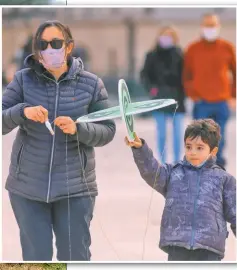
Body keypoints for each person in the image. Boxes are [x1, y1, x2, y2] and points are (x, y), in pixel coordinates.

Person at [2, 20, 116, 261]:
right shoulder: (23, 80)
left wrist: (78, 129)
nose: (50, 49)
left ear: (69, 46)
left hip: (75, 189)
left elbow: (108, 130)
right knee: (37, 258)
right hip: (28, 188)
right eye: (43, 44)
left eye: (56, 43)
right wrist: (22, 112)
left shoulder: (91, 83)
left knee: (75, 257)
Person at [125, 119, 236, 261]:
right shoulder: (173, 172)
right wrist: (140, 149)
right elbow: (152, 171)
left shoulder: (224, 179)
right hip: (177, 243)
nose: (192, 152)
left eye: (199, 147)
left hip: (209, 248)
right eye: (188, 147)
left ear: (213, 151)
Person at [183, 13, 236, 168]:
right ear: (202, 27)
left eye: (213, 25)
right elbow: (186, 75)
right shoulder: (193, 49)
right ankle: (200, 168)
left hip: (221, 102)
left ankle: (218, 169)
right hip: (202, 102)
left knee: (220, 138)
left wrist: (233, 96)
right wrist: (192, 94)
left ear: (218, 27)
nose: (210, 29)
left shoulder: (227, 47)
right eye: (207, 25)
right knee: (200, 139)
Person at [140, 25, 186, 164]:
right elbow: (144, 75)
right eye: (164, 35)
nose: (166, 39)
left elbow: (185, 75)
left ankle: (178, 161)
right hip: (159, 100)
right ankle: (163, 162)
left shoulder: (180, 55)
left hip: (177, 100)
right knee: (161, 134)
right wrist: (152, 90)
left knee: (178, 134)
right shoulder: (152, 55)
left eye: (169, 36)